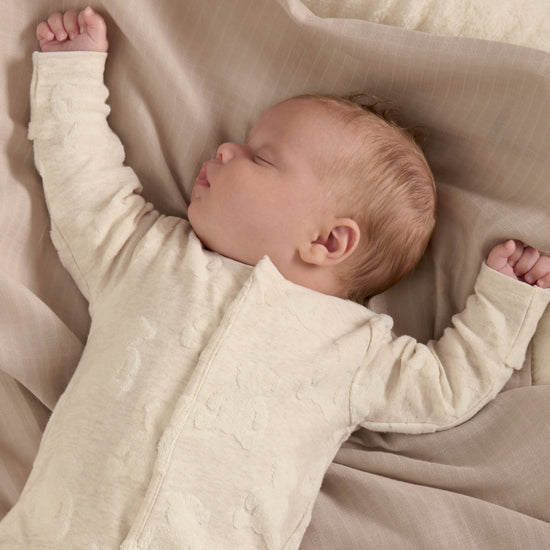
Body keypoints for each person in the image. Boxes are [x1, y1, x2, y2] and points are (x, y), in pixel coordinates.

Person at [1, 7, 549, 549]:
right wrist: (71, 75)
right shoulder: (145, 254)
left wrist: (503, 301)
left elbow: (446, 387)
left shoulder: (353, 352)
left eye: (260, 158)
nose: (223, 149)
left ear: (328, 241)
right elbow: (85, 187)